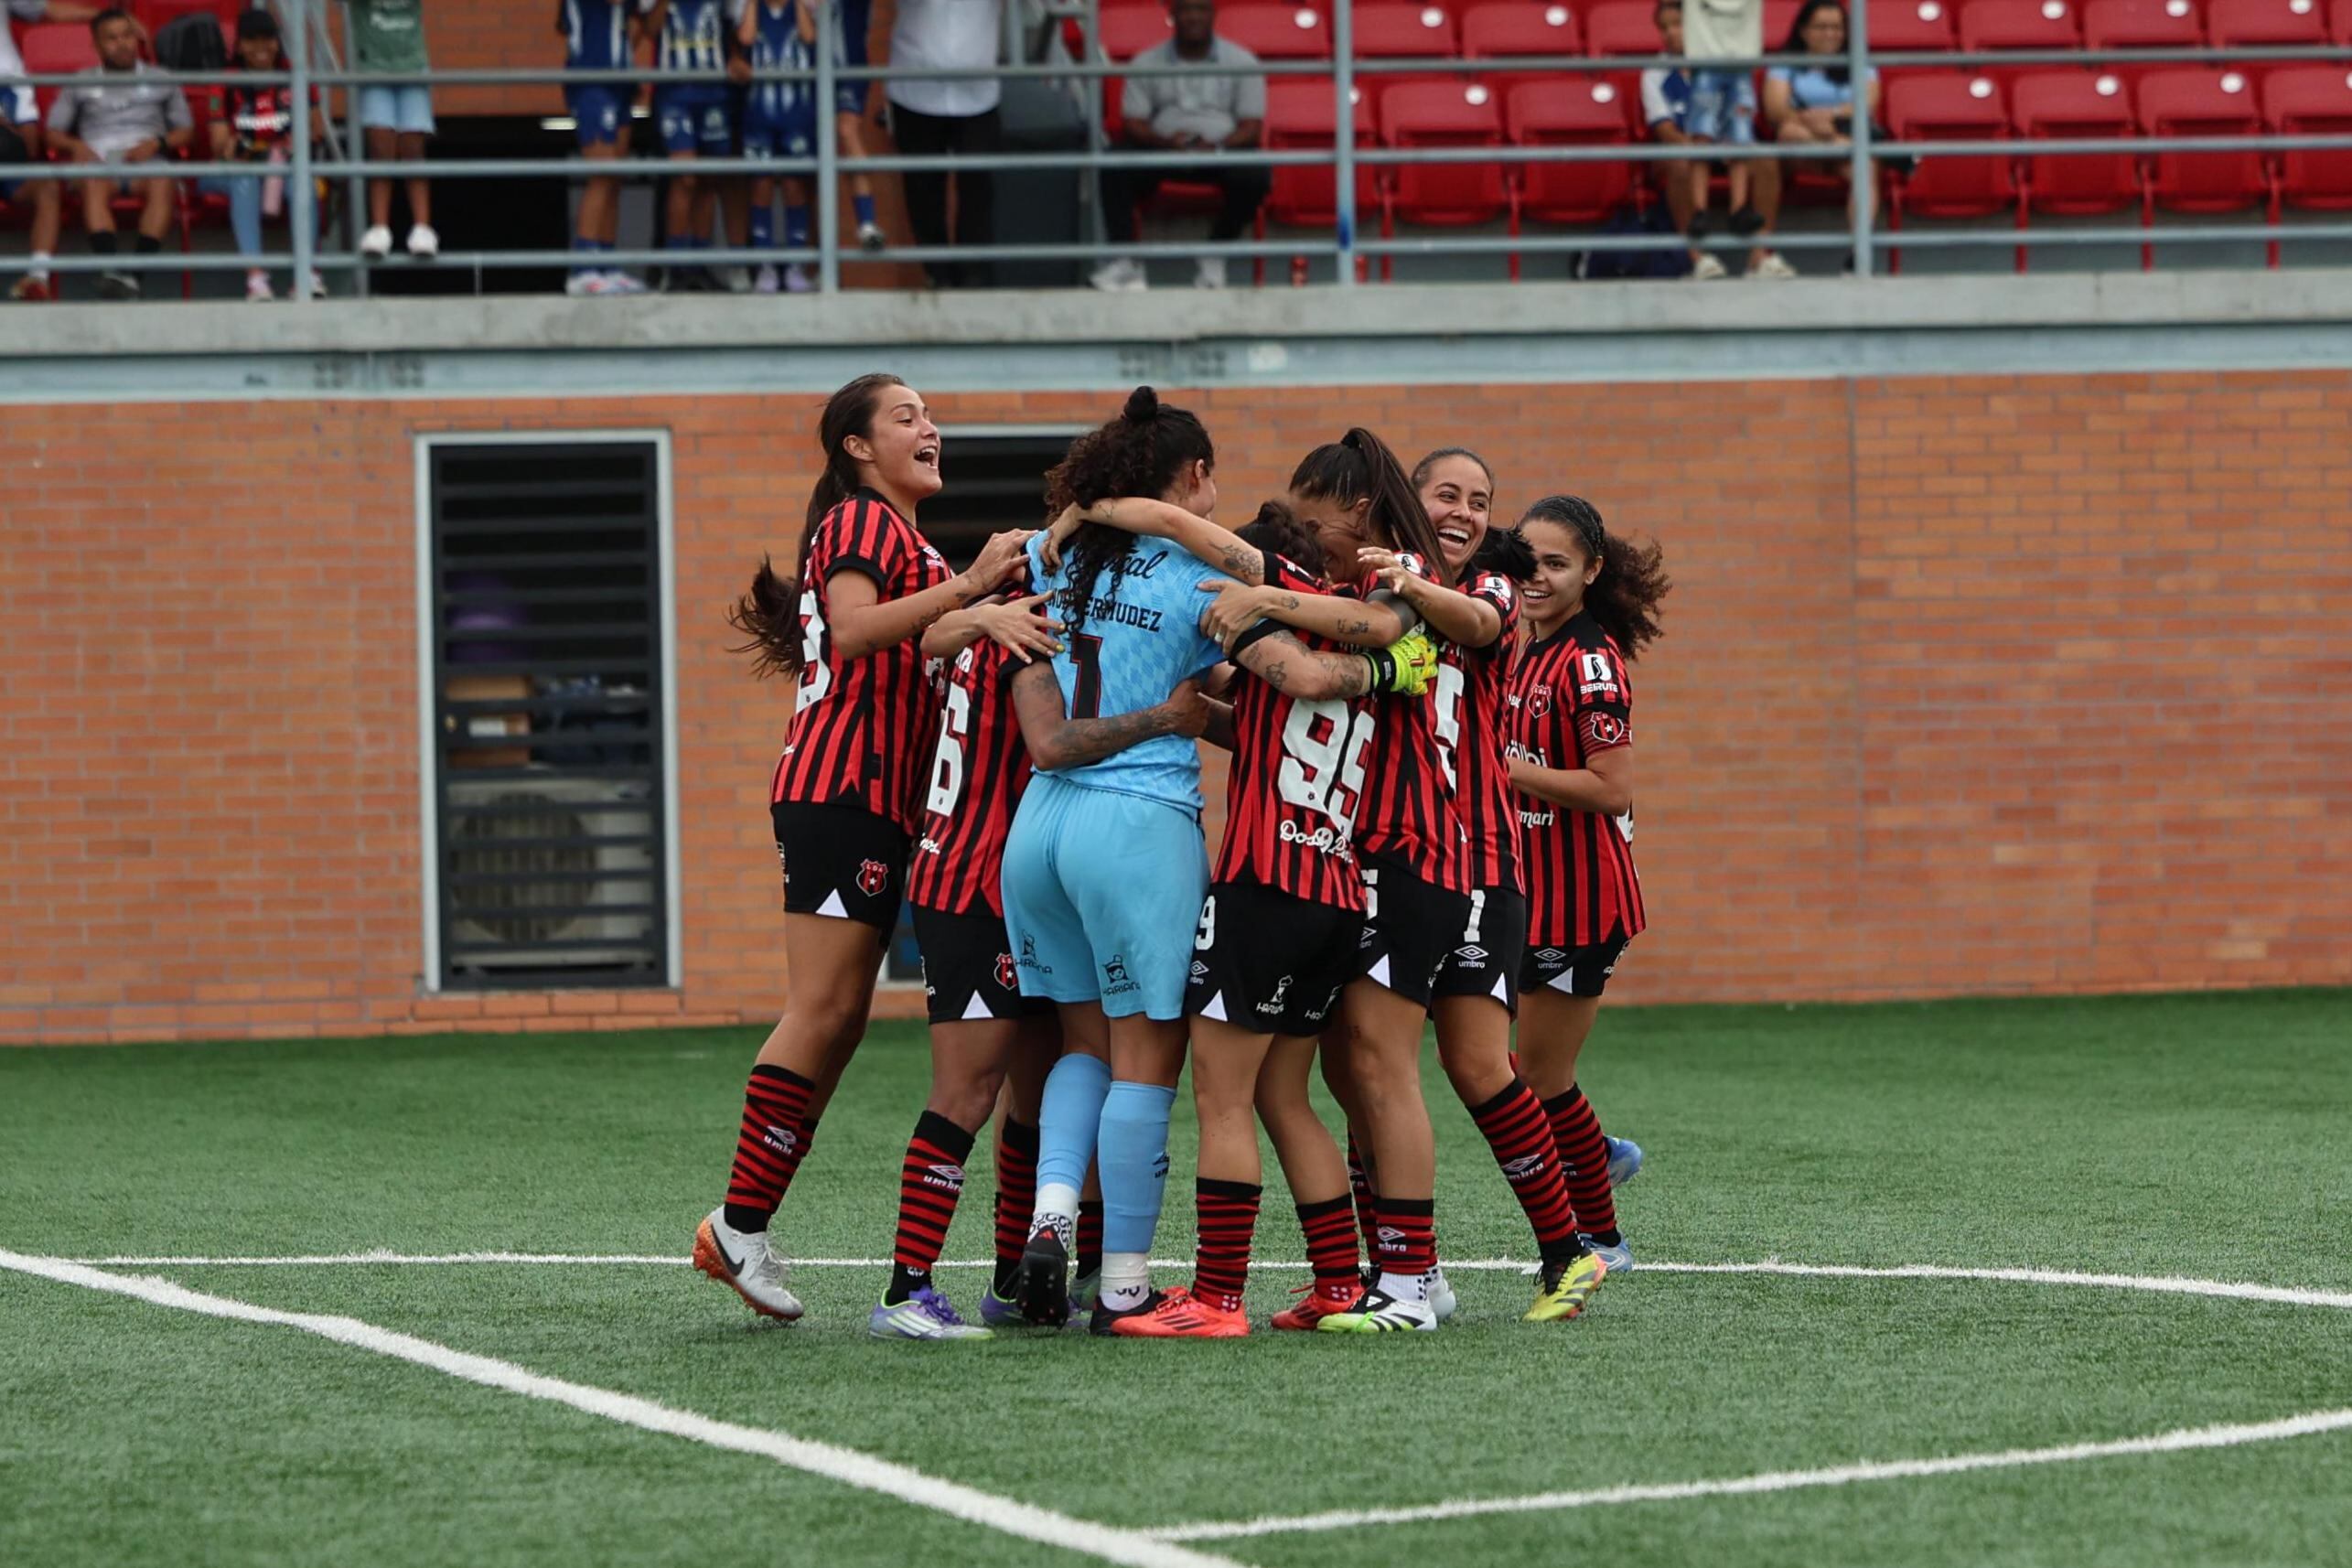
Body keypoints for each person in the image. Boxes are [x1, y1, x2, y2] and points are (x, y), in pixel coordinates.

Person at [693, 373, 1030, 1322]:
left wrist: (980, 609)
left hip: (878, 804)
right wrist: (972, 588)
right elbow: (849, 632)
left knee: (840, 1020)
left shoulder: (908, 542)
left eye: (931, 415)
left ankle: (745, 1227)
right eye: (905, 416)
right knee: (823, 1007)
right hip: (841, 791)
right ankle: (737, 1225)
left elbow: (923, 641)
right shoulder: (861, 522)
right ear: (856, 446)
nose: (931, 428)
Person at [871, 576, 1205, 1340]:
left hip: (1010, 865)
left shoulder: (1003, 610)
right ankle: (905, 1290)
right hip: (974, 875)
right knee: (969, 1089)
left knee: (1045, 1080)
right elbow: (1047, 737)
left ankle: (1016, 1279)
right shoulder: (1034, 609)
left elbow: (934, 636)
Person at [1188, 430, 1465, 1334]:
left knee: (1248, 1089)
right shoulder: (1361, 607)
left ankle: (1227, 1296)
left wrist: (1239, 599)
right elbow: (1302, 691)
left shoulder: (1383, 588)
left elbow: (1311, 663)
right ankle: (1350, 1281)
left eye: (1313, 525)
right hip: (1342, 876)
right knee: (1296, 1090)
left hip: (1299, 872)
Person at [1376, 447, 1608, 1322]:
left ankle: (1543, 1252)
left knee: (1441, 1063)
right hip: (1400, 859)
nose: (1465, 512)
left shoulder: (1493, 589)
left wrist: (1399, 580)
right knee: (1393, 1061)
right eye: (1447, 494)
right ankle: (1426, 1269)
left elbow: (1473, 624)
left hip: (1473, 861)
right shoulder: (1382, 588)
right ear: (1410, 499)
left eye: (1479, 501)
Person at [1506, 495, 1670, 1274]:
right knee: (1503, 1068)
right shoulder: (1523, 645)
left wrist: (1506, 771)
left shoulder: (1589, 664)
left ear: (1591, 571)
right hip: (1526, 894)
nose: (1536, 577)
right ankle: (1596, 1148)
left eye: (1556, 564)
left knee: (1537, 1077)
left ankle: (1603, 1236)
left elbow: (1612, 790)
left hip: (1580, 905)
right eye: (1527, 561)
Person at [1089, 0, 1267, 294]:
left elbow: (1251, 127)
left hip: (1219, 152)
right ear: (1172, 15)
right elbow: (1133, 122)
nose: (1193, 17)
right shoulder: (1146, 62)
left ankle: (1215, 252)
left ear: (1213, 15)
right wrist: (1164, 143)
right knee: (1115, 163)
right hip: (1162, 150)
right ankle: (1126, 262)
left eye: (1201, 9)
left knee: (1256, 173)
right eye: (1185, 9)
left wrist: (1218, 145)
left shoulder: (1243, 61)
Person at [45, 8, 191, 301]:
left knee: (163, 180)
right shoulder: (80, 81)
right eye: (111, 39)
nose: (122, 44)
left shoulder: (162, 78)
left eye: (127, 36)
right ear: (96, 45)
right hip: (100, 160)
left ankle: (134, 277)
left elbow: (186, 131)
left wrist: (158, 143)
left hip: (146, 158)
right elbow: (52, 133)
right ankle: (110, 270)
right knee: (92, 180)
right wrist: (76, 146)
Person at [1640, 0, 1792, 280]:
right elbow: (1665, 131)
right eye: (1664, 27)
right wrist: (1701, 147)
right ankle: (1696, 258)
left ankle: (1760, 256)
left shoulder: (1729, 63)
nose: (1670, 33)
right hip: (1688, 150)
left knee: (1766, 160)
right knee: (1679, 164)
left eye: (1678, 24)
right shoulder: (1654, 73)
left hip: (1728, 149)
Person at [198, 10, 326, 303]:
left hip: (281, 166)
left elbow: (316, 130)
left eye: (268, 39)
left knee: (302, 182)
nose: (261, 47)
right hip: (231, 169)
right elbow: (219, 145)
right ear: (239, 45)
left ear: (277, 43)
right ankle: (256, 280)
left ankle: (308, 275)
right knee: (245, 180)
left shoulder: (294, 75)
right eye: (251, 40)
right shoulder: (225, 81)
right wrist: (233, 145)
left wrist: (294, 141)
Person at [884, 0, 1001, 289]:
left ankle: (973, 277)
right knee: (922, 189)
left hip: (978, 91)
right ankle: (937, 274)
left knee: (977, 186)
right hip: (915, 87)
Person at [1764, 0, 1881, 267]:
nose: (1831, 34)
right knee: (1789, 131)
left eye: (1837, 27)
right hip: (1802, 151)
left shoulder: (1860, 61)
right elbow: (1776, 109)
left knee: (1866, 168)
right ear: (1803, 31)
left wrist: (1829, 117)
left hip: (1843, 147)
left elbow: (1867, 104)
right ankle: (1837, 145)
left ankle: (1858, 254)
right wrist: (1813, 125)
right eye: (1822, 27)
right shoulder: (1785, 63)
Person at [1, 1, 95, 302]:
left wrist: (103, 16)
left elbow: (27, 148)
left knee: (47, 186)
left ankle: (37, 278)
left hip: (6, 153)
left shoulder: (14, 86)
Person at [558, 0, 650, 296]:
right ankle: (582, 268)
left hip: (620, 81)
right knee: (602, 172)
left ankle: (607, 264)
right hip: (591, 79)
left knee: (614, 178)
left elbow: (639, 23)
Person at [643, 0, 734, 288]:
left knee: (708, 180)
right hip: (675, 93)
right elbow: (650, 29)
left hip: (714, 92)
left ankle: (699, 263)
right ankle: (677, 265)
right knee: (685, 176)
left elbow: (734, 26)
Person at [734, 0, 818, 295]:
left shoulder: (802, 7)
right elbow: (745, 38)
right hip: (759, 116)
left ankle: (795, 266)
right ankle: (766, 266)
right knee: (762, 185)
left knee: (795, 186)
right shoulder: (750, 7)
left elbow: (809, 37)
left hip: (797, 115)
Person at [343, 0, 436, 259]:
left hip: (413, 67)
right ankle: (380, 228)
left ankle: (423, 229)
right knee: (381, 146)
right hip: (374, 68)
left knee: (412, 147)